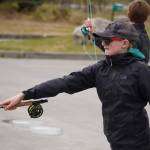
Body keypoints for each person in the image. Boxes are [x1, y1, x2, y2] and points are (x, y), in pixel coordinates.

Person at [0, 20, 150, 150]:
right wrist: (25, 94)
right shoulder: (100, 69)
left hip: (139, 143)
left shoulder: (140, 70)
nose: (103, 44)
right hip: (115, 140)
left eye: (108, 40)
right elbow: (64, 83)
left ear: (124, 43)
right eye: (102, 40)